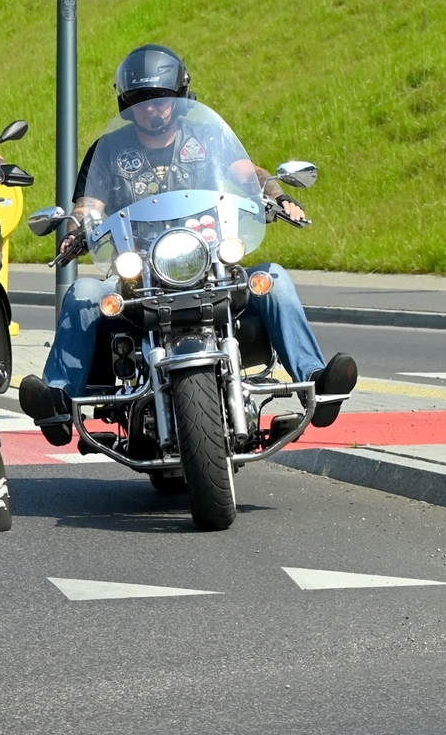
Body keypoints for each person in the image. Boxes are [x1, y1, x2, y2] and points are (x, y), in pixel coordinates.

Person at [18, 44, 358, 443]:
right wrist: (77, 228)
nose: (152, 108)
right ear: (127, 103)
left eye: (162, 98)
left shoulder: (208, 137)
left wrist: (277, 195)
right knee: (83, 294)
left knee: (274, 280)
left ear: (180, 96)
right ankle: (59, 403)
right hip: (138, 274)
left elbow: (249, 173)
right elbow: (89, 205)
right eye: (142, 100)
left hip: (212, 265)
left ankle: (316, 383)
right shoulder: (108, 150)